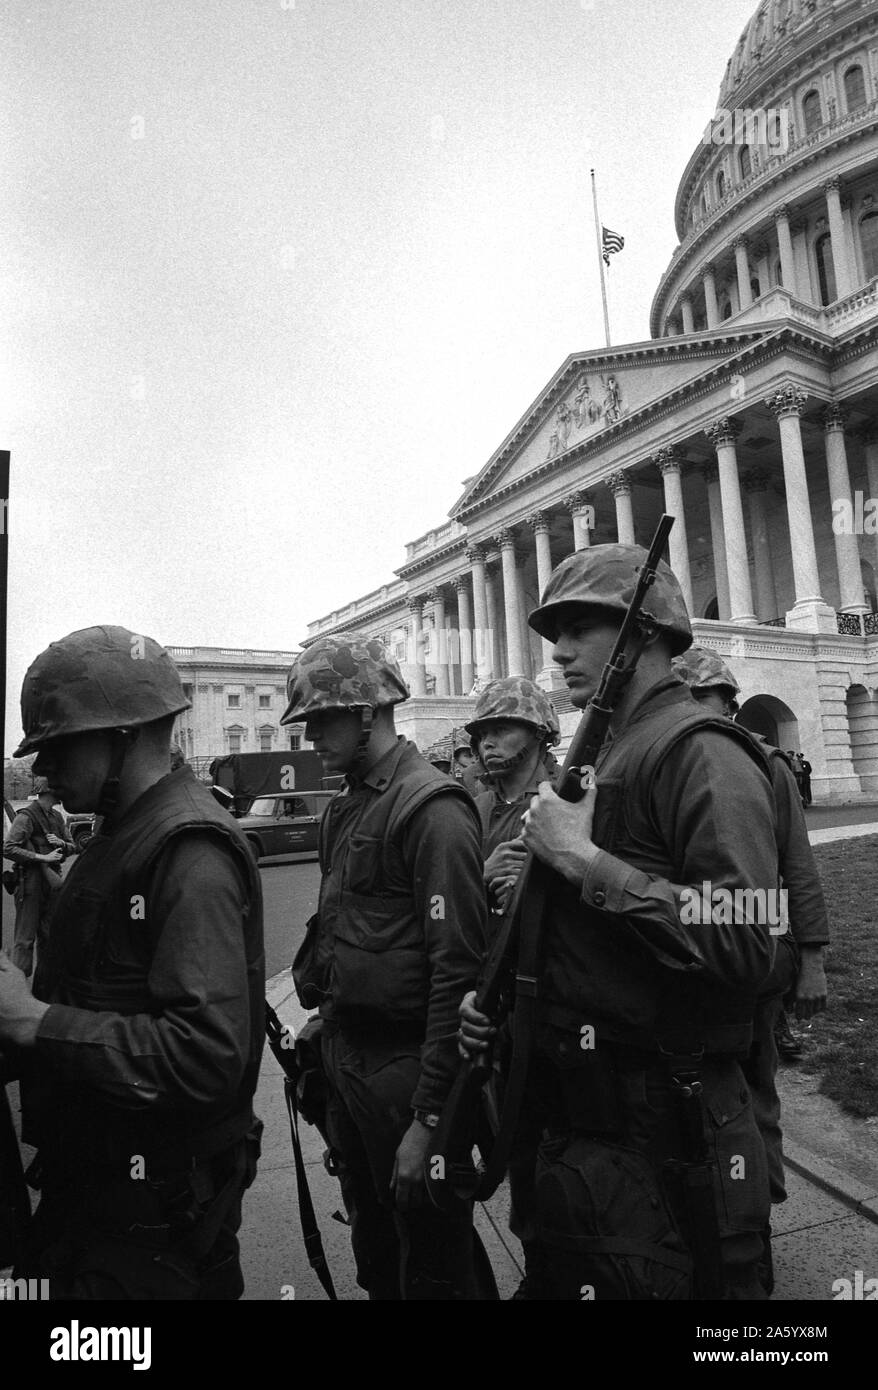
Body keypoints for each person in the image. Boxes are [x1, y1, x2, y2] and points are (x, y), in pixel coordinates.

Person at [460, 544, 779, 1301]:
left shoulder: (700, 751)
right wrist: (500, 1005)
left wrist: (584, 862)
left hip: (671, 1124)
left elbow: (750, 935)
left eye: (580, 629)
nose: (559, 651)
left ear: (642, 634)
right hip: (586, 1124)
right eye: (554, 634)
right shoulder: (608, 750)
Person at [0, 625, 265, 1299]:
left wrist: (36, 1022)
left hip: (154, 1224)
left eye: (58, 745)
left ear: (123, 736)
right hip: (102, 1199)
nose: (43, 770)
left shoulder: (187, 850)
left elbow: (205, 1055)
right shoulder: (122, 831)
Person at [283, 633, 489, 1300]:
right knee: (379, 1258)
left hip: (408, 1079)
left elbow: (456, 977)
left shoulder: (431, 809)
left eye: (321, 719)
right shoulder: (345, 809)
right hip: (352, 1069)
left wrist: (428, 1123)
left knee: (436, 1266)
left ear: (367, 711)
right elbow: (342, 933)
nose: (311, 735)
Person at [672, 645, 830, 1289]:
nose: (701, 719)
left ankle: (752, 1225)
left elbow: (799, 864)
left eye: (708, 704)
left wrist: (811, 961)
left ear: (729, 705)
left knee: (753, 1097)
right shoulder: (672, 762)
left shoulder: (764, 764)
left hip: (758, 959)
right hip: (689, 962)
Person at [465, 676, 561, 1298]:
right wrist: (483, 878)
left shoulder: (564, 795)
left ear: (538, 732)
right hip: (488, 1003)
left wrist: (541, 873)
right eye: (480, 733)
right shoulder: (472, 802)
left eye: (502, 729)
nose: (487, 743)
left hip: (553, 1002)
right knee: (514, 1142)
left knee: (555, 1151)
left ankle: (560, 1270)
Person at [3, 779, 74, 978]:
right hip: (30, 882)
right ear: (49, 791)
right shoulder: (26, 817)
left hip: (52, 880)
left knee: (49, 936)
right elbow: (8, 848)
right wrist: (40, 857)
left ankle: (45, 986)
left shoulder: (57, 817)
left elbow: (73, 846)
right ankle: (19, 993)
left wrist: (62, 844)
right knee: (25, 940)